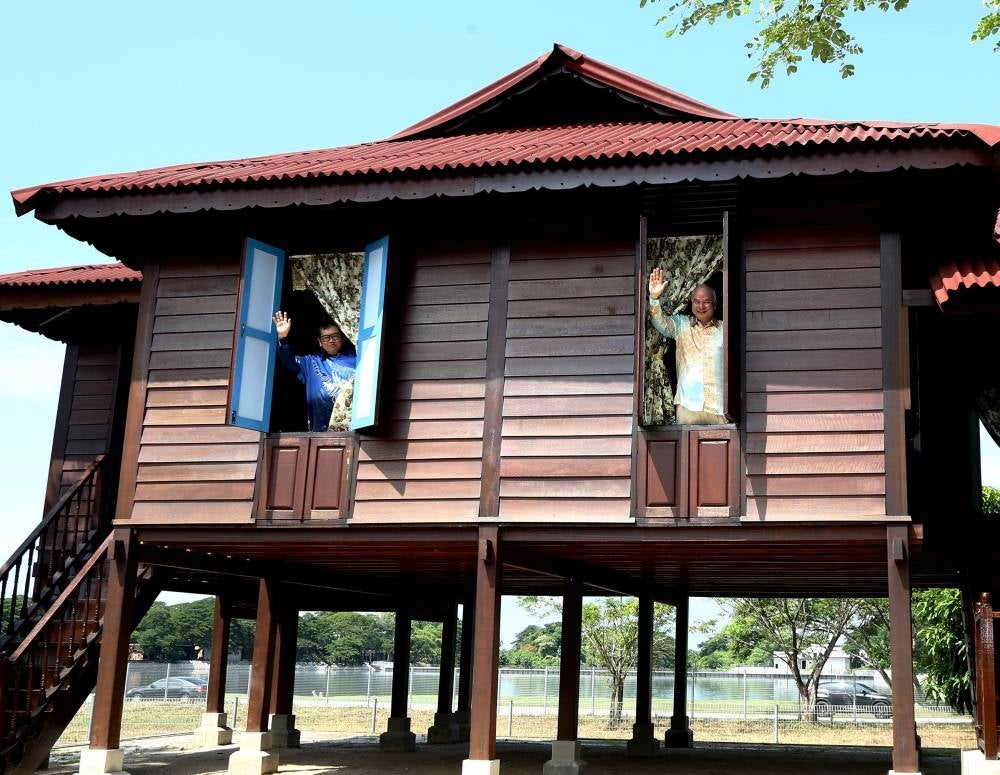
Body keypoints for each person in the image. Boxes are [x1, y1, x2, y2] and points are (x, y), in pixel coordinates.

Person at [647, 267, 727, 425]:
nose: (701, 306)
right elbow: (660, 323)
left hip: (719, 406)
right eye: (697, 301)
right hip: (688, 405)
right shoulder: (681, 324)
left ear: (715, 305)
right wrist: (654, 298)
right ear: (691, 303)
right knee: (687, 449)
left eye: (706, 302)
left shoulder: (725, 329)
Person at [273, 311, 357, 432]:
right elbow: (288, 361)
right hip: (321, 430)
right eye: (326, 338)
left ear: (342, 338)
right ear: (319, 342)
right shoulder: (311, 362)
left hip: (352, 427)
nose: (331, 340)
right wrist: (283, 338)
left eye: (335, 336)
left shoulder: (356, 357)